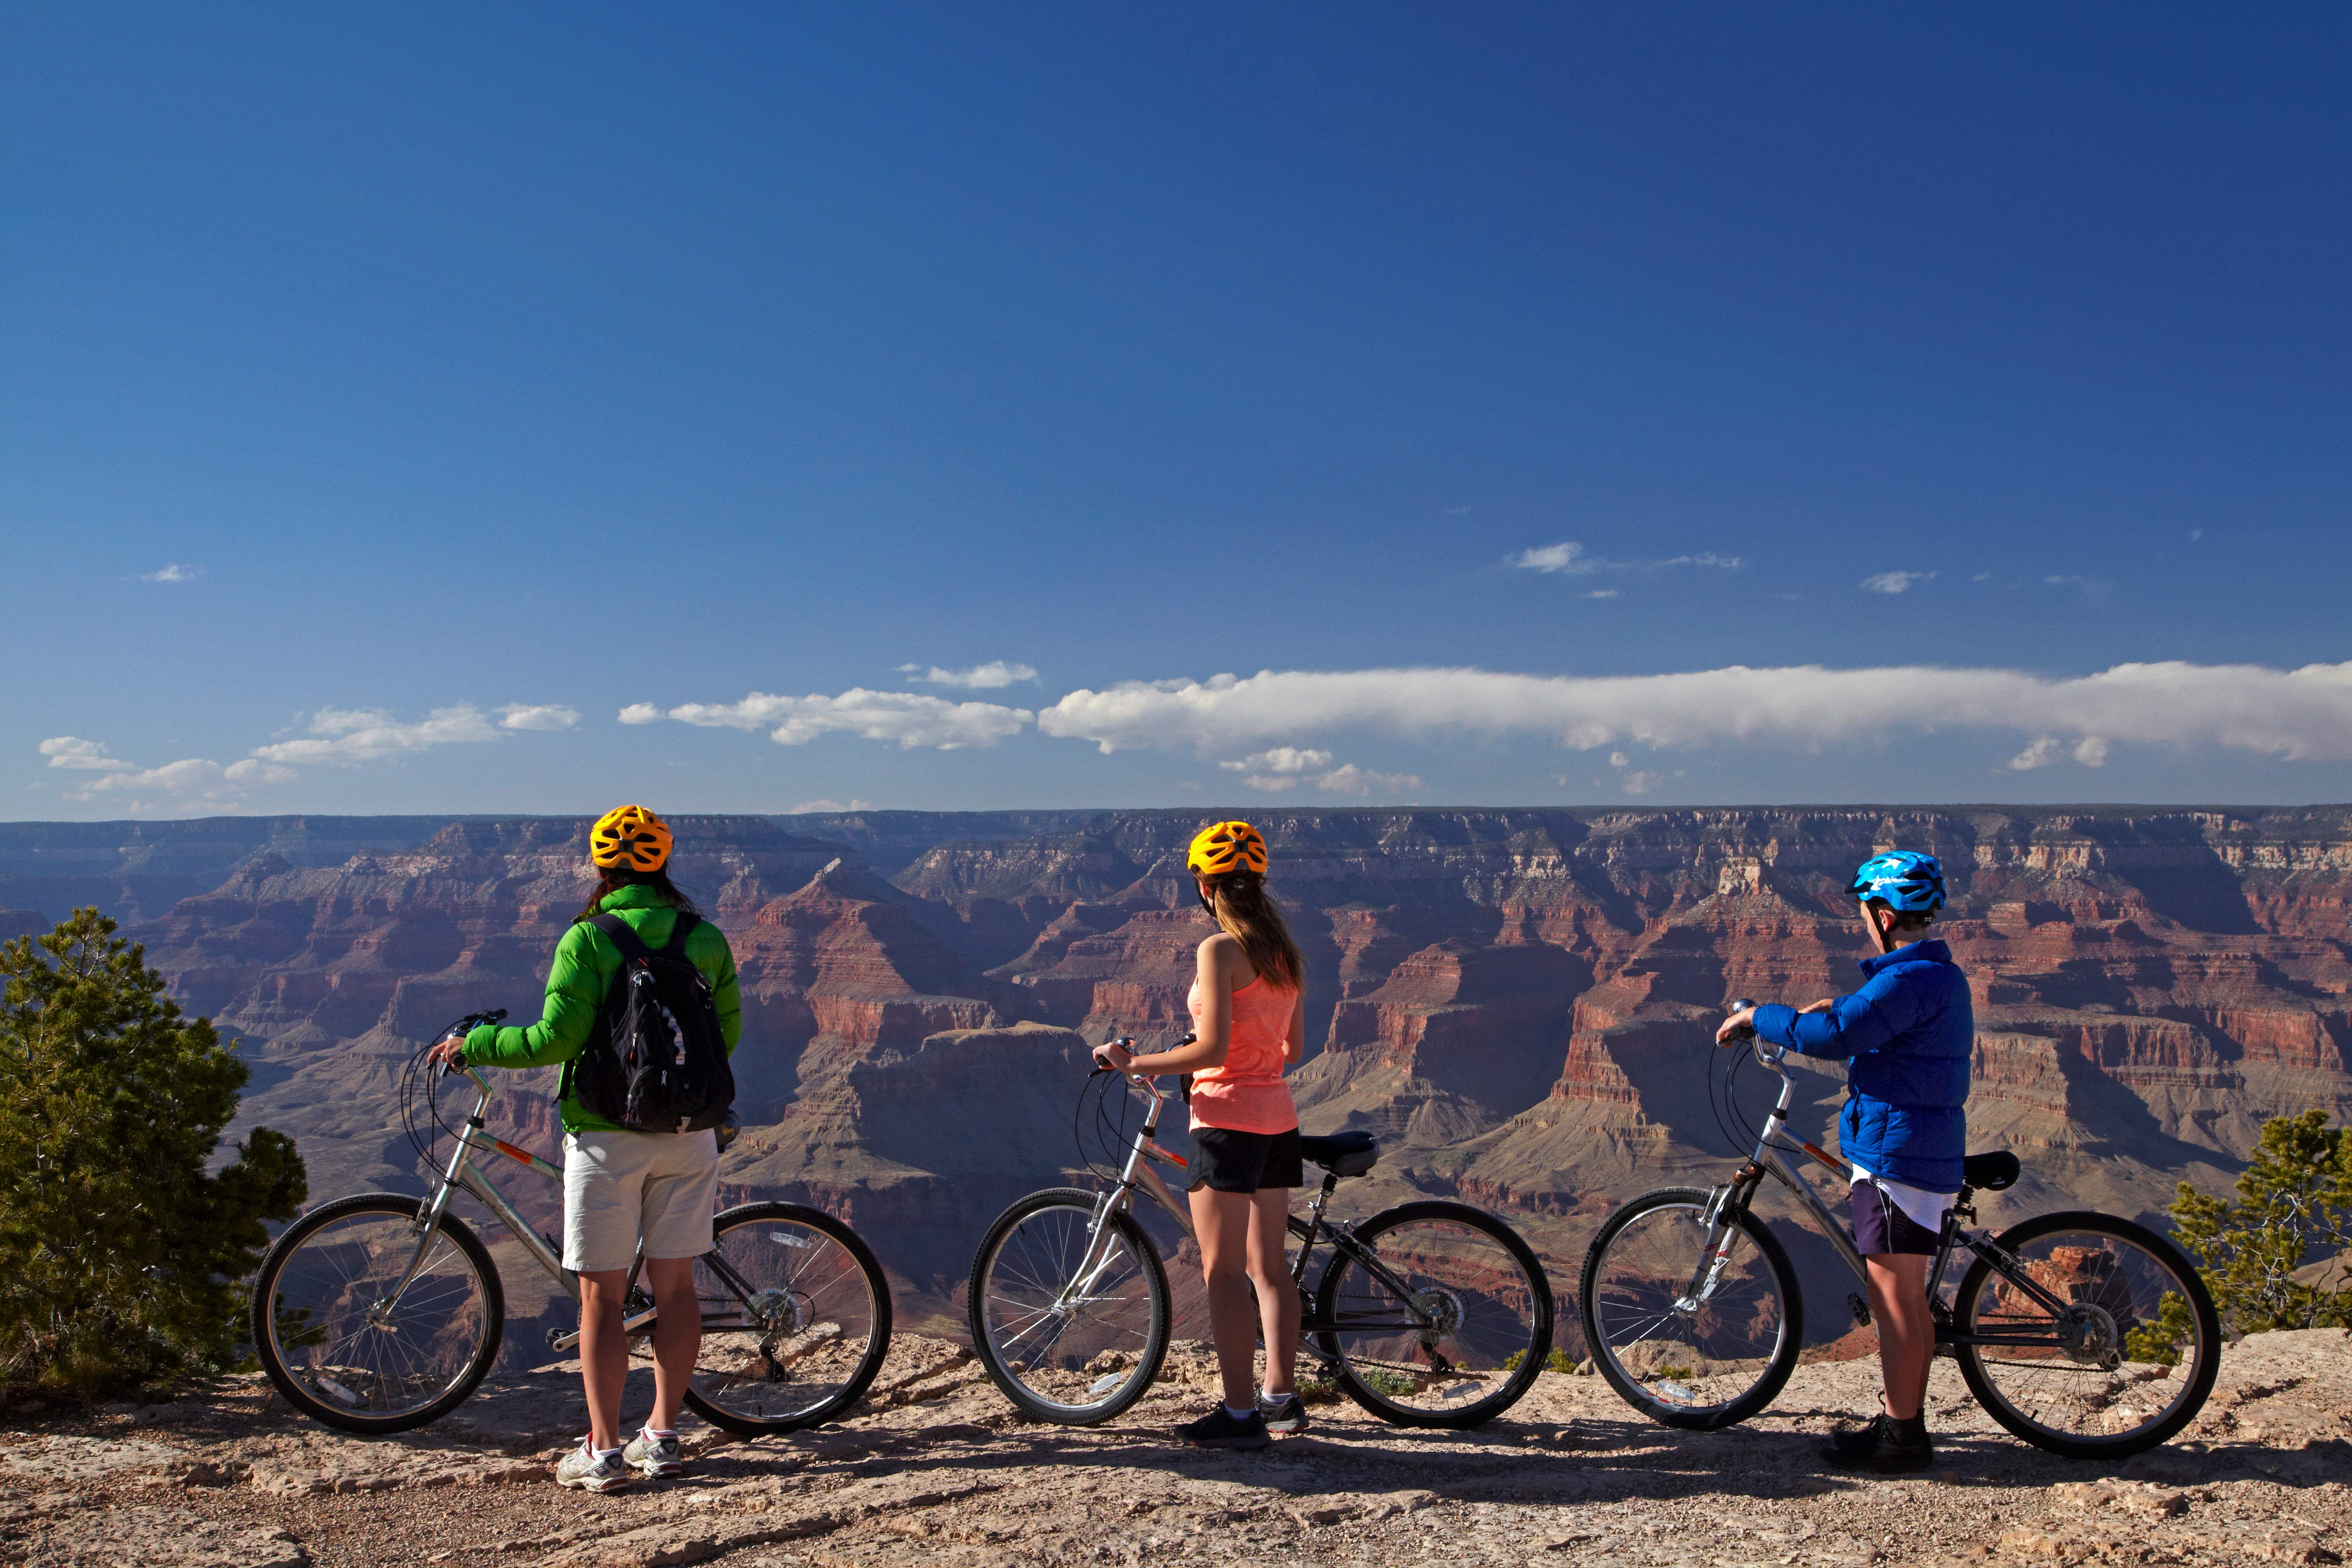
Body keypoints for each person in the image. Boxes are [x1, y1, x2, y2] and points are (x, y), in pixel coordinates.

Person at [428, 805, 741, 1493]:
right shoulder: (706, 937)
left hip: (605, 1136)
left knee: (600, 1297)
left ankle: (602, 1451)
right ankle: (662, 1437)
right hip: (689, 1136)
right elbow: (726, 1038)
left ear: (602, 868)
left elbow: (553, 1042)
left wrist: (473, 1045)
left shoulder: (588, 939)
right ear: (662, 863)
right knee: (676, 1288)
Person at [1715, 851, 1970, 1474]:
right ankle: (1898, 1420)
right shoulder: (1934, 974)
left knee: (1896, 1302)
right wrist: (1842, 1007)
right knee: (1902, 1299)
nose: (1863, 923)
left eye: (1864, 913)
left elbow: (1835, 1038)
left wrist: (1758, 1018)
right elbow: (1871, 1021)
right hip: (1914, 1142)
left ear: (1884, 915)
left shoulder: (1907, 980)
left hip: (1896, 1154)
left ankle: (1904, 1440)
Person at [1093, 821, 1309, 1451]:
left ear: (1203, 883)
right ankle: (1281, 1400)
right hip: (1278, 1120)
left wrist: (1134, 1064)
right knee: (1270, 1268)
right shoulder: (1283, 952)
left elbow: (1212, 1047)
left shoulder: (1220, 950)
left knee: (1221, 1273)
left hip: (1225, 1122)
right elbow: (1291, 1047)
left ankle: (1240, 1416)